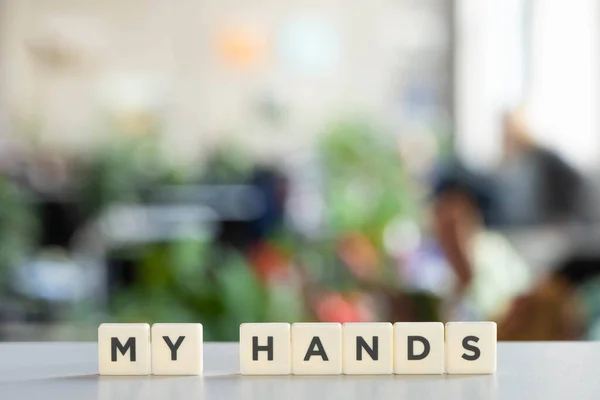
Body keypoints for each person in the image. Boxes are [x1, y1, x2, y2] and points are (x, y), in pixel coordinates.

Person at [431, 163, 532, 322]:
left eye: (456, 220)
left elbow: (500, 315)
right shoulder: (431, 261)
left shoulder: (494, 254)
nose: (445, 224)